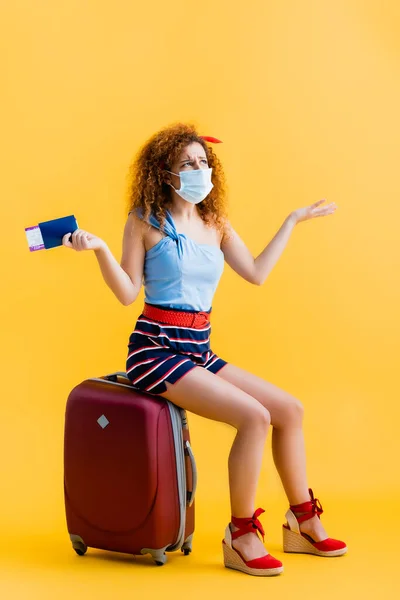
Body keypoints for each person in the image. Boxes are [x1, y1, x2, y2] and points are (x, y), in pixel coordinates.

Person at [62, 123, 347, 577]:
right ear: (165, 173)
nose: (200, 170)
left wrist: (292, 221)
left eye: (204, 162)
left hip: (198, 348)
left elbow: (255, 272)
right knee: (254, 417)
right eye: (188, 164)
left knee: (289, 410)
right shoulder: (143, 221)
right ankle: (241, 535)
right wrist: (98, 249)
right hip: (155, 350)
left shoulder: (216, 223)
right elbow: (127, 293)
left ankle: (303, 520)